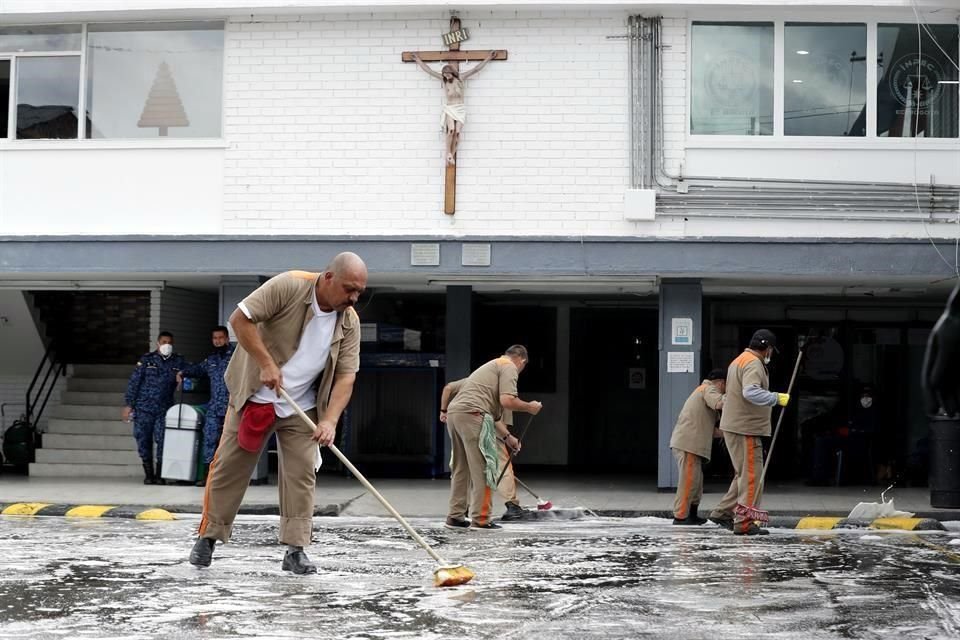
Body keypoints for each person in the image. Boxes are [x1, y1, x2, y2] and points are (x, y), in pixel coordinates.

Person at [189, 254, 367, 575]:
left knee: (301, 474)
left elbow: (346, 376)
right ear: (328, 278)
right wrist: (266, 364)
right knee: (230, 467)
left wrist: (329, 420)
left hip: (301, 404)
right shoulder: (289, 285)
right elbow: (239, 320)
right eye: (349, 289)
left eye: (359, 292)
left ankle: (295, 549)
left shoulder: (349, 321)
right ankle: (209, 537)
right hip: (254, 396)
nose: (353, 298)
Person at [441, 345, 542, 531]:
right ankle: (481, 519)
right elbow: (507, 401)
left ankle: (455, 517)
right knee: (486, 469)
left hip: (457, 414)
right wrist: (530, 407)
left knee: (461, 468)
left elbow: (493, 414)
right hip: (474, 416)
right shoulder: (509, 366)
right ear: (522, 360)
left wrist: (507, 437)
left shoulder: (489, 367)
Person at [708, 329, 790, 536]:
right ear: (767, 348)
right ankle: (745, 522)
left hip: (734, 425)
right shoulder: (753, 363)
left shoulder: (739, 360)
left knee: (742, 474)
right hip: (746, 428)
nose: (771, 353)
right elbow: (750, 391)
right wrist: (776, 398)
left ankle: (723, 513)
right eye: (771, 349)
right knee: (752, 476)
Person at [439, 379, 527, 522]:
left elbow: (448, 387)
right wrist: (508, 436)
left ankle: (460, 510)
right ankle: (507, 507)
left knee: (461, 466)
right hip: (485, 426)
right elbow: (495, 416)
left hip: (463, 424)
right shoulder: (500, 385)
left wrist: (443, 411)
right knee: (496, 466)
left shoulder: (472, 381)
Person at [411, 51, 496, 165]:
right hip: (450, 108)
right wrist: (418, 60)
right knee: (451, 130)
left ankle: (451, 154)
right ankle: (448, 153)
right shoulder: (444, 81)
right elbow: (429, 71)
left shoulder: (461, 78)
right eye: (444, 74)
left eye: (448, 74)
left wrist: (489, 57)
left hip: (460, 108)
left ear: (452, 72)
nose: (446, 76)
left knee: (458, 132)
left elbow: (476, 69)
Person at [123, 332, 184, 485]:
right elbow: (134, 383)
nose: (167, 345)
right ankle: (149, 474)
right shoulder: (146, 360)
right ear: (158, 343)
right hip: (144, 408)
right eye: (164, 342)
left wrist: (183, 377)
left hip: (164, 409)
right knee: (143, 440)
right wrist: (129, 405)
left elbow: (188, 373)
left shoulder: (178, 361)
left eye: (169, 342)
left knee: (163, 440)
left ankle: (160, 474)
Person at [177, 326, 235, 486]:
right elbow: (197, 369)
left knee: (230, 444)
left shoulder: (236, 356)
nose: (218, 341)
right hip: (214, 408)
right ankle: (208, 476)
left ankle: (229, 477)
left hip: (233, 408)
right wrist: (182, 372)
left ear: (227, 338)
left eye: (221, 338)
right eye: (215, 338)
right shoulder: (211, 360)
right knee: (209, 440)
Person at [669, 369, 726, 526]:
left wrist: (729, 433)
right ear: (721, 382)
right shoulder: (709, 388)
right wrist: (736, 398)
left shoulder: (702, 391)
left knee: (696, 482)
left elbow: (711, 430)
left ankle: (692, 514)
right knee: (688, 482)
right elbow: (719, 402)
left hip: (691, 445)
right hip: (688, 444)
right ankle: (680, 517)